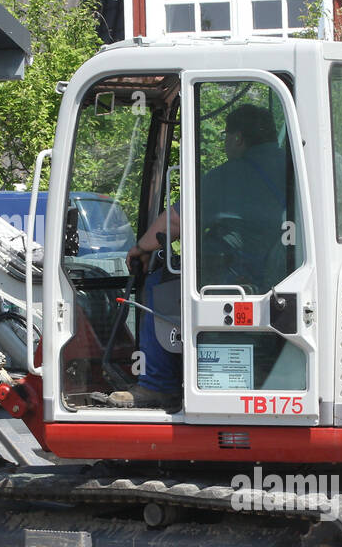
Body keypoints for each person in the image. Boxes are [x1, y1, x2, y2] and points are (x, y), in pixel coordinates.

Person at [114, 104, 289, 409]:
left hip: (234, 274)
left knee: (160, 283)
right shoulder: (294, 168)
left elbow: (175, 222)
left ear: (237, 138)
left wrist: (141, 248)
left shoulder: (234, 174)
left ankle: (158, 384)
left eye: (225, 137)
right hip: (280, 275)